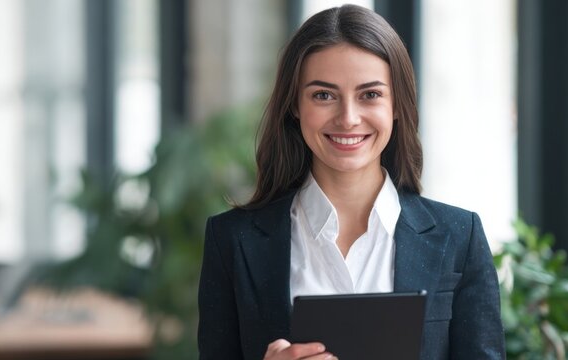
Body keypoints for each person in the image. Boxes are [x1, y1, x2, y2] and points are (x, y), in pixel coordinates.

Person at [197, 5, 504, 360]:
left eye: (370, 95)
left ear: (397, 105)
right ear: (295, 104)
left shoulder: (459, 238)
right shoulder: (233, 241)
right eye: (323, 95)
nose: (348, 118)